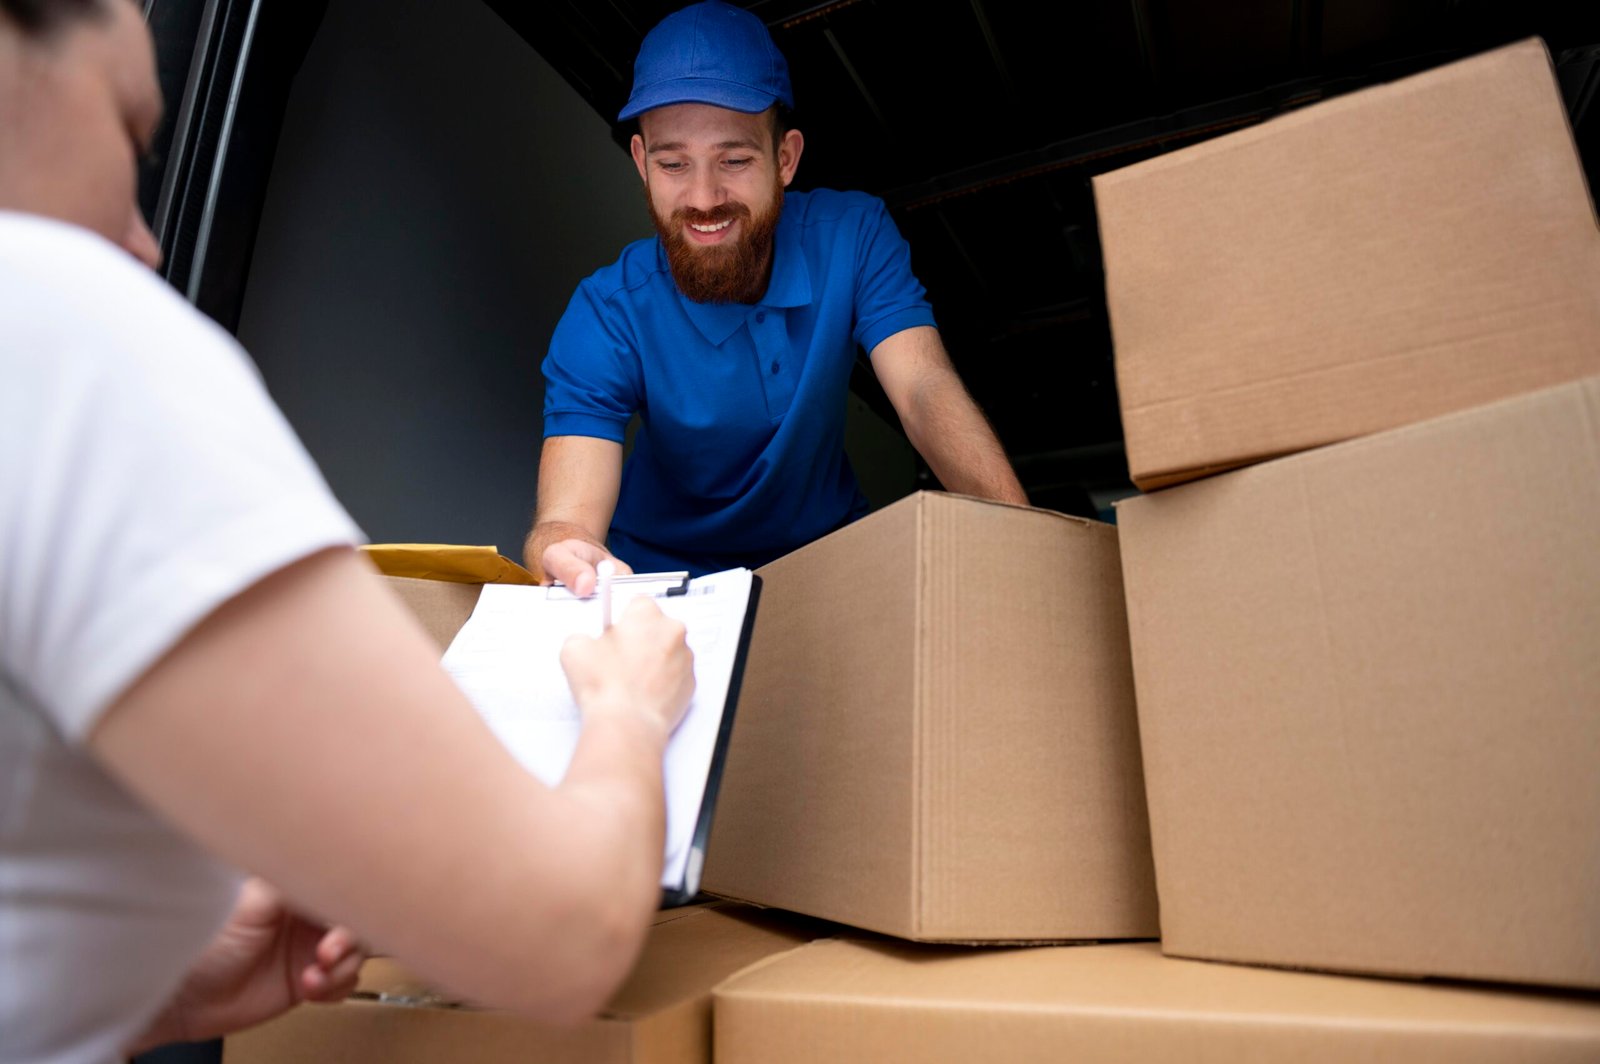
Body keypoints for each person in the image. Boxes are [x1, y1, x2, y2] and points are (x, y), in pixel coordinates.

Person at [0, 3, 695, 1062]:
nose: (146, 246)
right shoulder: (58, 318)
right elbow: (562, 933)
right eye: (133, 132)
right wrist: (632, 709)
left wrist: (161, 997)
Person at [525, 0, 1028, 594]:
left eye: (734, 159)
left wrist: (1023, 540)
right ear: (641, 162)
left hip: (828, 560)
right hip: (661, 581)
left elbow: (922, 390)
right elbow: (566, 519)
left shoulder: (854, 234)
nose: (704, 197)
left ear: (785, 158)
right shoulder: (606, 311)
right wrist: (562, 550)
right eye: (673, 163)